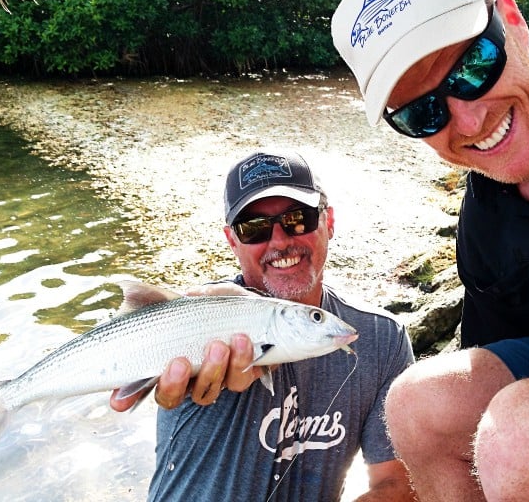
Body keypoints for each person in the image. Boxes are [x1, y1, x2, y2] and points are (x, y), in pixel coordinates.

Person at [331, 0, 529, 501]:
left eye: (473, 67)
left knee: (520, 436)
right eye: (423, 112)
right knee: (418, 402)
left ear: (512, 17)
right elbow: (487, 356)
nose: (470, 117)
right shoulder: (483, 218)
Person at [112, 149, 416, 501]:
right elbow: (126, 371)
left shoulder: (383, 339)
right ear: (232, 240)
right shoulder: (202, 320)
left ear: (328, 221)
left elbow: (393, 482)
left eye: (298, 218)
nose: (280, 241)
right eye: (253, 228)